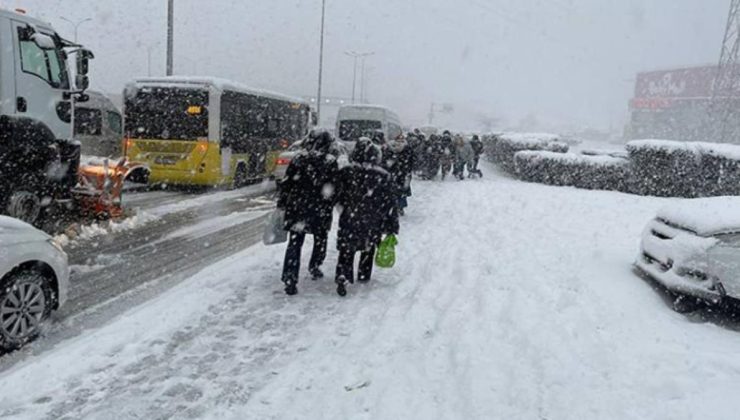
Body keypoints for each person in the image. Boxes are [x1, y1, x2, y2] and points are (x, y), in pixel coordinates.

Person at [334, 137, 399, 296]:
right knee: (367, 247)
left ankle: (343, 273)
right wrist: (391, 224)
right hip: (372, 219)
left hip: (349, 216)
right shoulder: (382, 175)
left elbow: (337, 193)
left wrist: (342, 206)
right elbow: (390, 202)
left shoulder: (346, 172)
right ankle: (363, 274)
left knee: (346, 248)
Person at [277, 129, 339, 295]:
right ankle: (315, 265)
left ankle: (290, 277)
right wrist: (330, 202)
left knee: (295, 242)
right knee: (320, 238)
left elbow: (287, 183)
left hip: (297, 207)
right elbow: (334, 187)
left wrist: (282, 202)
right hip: (320, 209)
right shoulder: (330, 161)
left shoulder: (298, 159)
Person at [383, 135, 415, 215]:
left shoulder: (391, 148)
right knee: (401, 191)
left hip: (395, 173)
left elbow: (386, 160)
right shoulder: (407, 149)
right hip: (402, 173)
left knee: (395, 191)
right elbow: (411, 161)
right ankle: (399, 207)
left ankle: (396, 207)